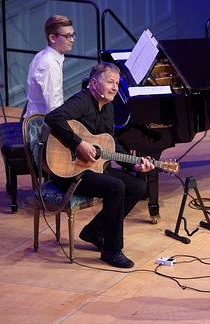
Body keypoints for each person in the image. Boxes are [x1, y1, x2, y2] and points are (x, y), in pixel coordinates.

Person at [45, 62, 155, 268]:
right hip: (69, 171)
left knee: (138, 187)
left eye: (117, 83)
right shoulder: (82, 101)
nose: (115, 88)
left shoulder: (109, 108)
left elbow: (110, 145)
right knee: (116, 186)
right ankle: (112, 251)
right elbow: (53, 117)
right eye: (110, 82)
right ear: (94, 83)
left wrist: (135, 166)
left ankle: (94, 231)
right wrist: (78, 144)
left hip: (92, 168)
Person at [24, 15, 75, 119]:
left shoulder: (43, 55)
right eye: (67, 36)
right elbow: (53, 108)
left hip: (41, 118)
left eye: (73, 35)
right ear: (52, 38)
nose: (72, 40)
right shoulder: (49, 64)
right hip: (40, 126)